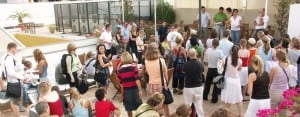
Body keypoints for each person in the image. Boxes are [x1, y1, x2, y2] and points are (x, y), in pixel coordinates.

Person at [2, 42, 27, 117]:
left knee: (14, 101)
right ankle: (17, 115)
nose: (16, 50)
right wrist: (22, 77)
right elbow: (10, 72)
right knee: (16, 102)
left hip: (13, 83)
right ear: (13, 49)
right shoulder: (9, 58)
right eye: (16, 49)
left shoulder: (7, 57)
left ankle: (17, 115)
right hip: (14, 83)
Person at [144, 42, 169, 116]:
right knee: (163, 105)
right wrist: (166, 84)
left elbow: (147, 73)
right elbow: (165, 74)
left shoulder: (146, 61)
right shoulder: (161, 61)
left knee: (153, 105)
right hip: (160, 84)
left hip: (151, 85)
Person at [117, 51, 143, 117]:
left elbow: (121, 84)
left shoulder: (120, 70)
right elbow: (137, 80)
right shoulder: (134, 68)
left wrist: (122, 94)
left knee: (129, 108)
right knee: (139, 107)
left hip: (126, 91)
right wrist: (140, 90)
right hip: (135, 90)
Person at [221, 45, 243, 117]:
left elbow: (221, 66)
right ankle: (241, 114)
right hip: (236, 80)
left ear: (231, 51)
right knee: (238, 98)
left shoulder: (225, 58)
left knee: (227, 99)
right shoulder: (239, 61)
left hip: (228, 81)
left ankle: (225, 114)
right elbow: (240, 69)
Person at [183, 48, 205, 116]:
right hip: (198, 87)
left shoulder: (186, 64)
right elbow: (203, 72)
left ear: (188, 55)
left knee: (187, 105)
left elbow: (183, 72)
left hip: (188, 87)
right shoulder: (200, 64)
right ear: (196, 54)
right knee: (199, 105)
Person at [203, 39, 223, 103]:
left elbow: (205, 60)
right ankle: (214, 98)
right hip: (217, 69)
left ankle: (205, 96)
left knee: (207, 83)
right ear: (218, 45)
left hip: (210, 68)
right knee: (216, 85)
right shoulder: (220, 52)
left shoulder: (208, 51)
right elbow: (222, 61)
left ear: (212, 44)